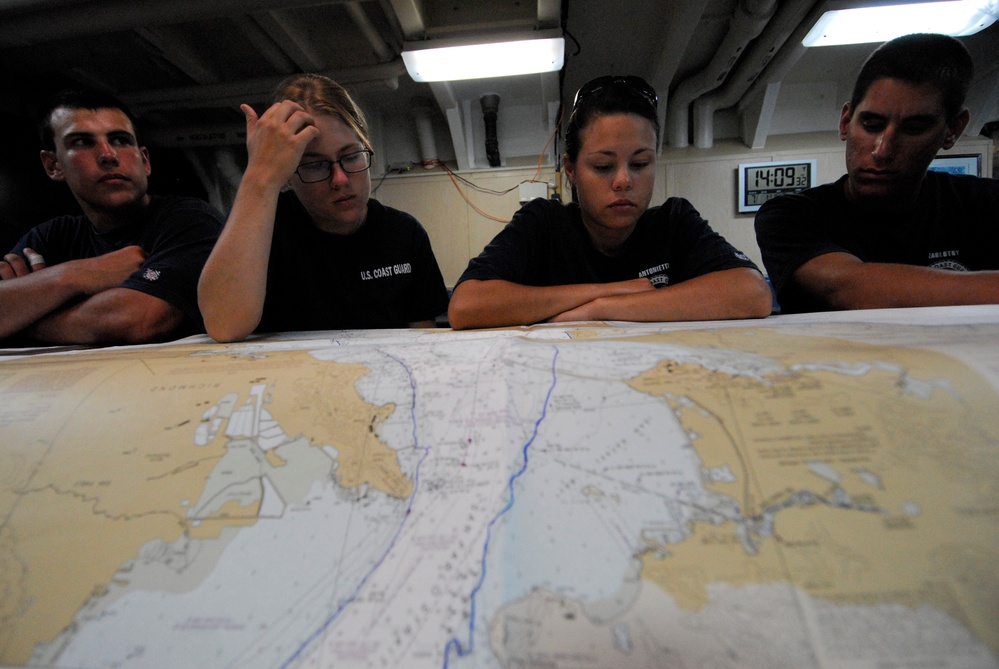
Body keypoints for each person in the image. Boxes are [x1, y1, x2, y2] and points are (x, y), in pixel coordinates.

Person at [447, 75, 772, 330]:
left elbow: (753, 293)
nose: (623, 180)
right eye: (603, 166)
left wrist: (601, 310)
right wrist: (605, 290)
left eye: (640, 163)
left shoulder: (674, 221)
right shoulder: (543, 223)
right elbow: (466, 305)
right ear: (571, 169)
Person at [754, 33, 999, 314]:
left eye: (914, 128)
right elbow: (848, 288)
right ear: (846, 122)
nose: (883, 151)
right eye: (871, 124)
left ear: (952, 130)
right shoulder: (790, 216)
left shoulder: (986, 205)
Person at [198, 74, 449, 342]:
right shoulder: (262, 229)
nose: (340, 180)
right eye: (315, 165)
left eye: (351, 157)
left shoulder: (404, 233)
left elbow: (423, 344)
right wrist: (260, 175)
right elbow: (224, 325)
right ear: (289, 176)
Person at [0, 89, 224, 345]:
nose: (108, 155)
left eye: (120, 140)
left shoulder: (189, 220)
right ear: (53, 165)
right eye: (83, 142)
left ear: (145, 161)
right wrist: (78, 274)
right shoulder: (51, 237)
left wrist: (27, 315)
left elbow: (136, 319)